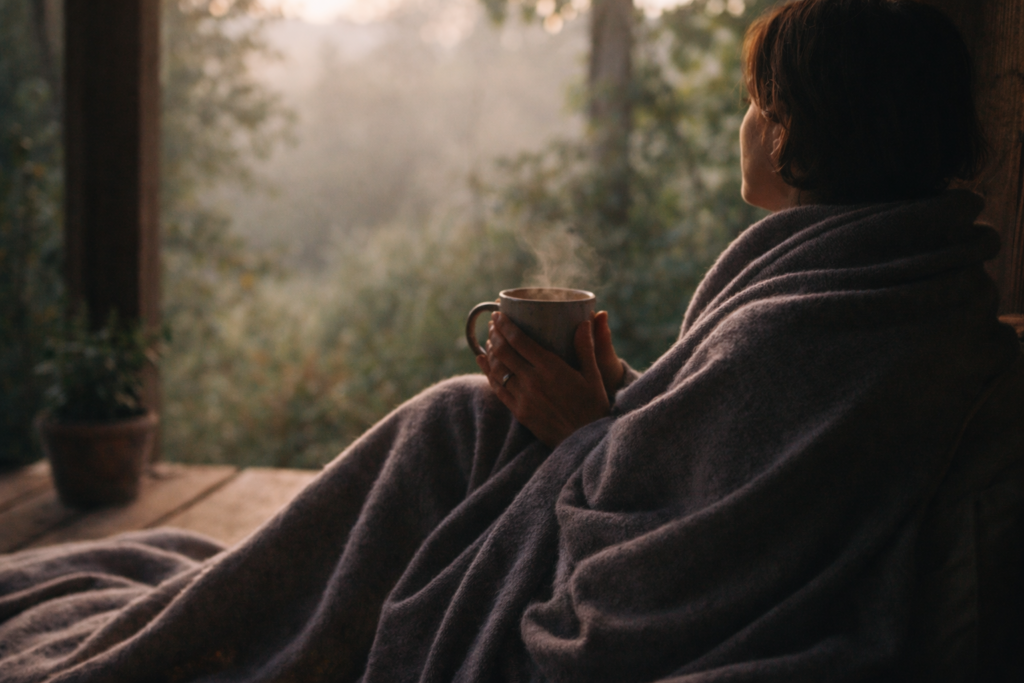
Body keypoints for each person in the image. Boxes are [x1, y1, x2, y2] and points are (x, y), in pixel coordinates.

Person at [2, 1, 1020, 681]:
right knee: (458, 418)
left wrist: (586, 431)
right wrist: (625, 401)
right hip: (581, 477)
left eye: (759, 104)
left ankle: (211, 630)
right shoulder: (893, 285)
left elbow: (661, 563)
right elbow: (715, 463)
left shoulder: (808, 327)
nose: (745, 124)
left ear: (803, 132)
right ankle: (230, 604)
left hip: (569, 554)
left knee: (451, 425)